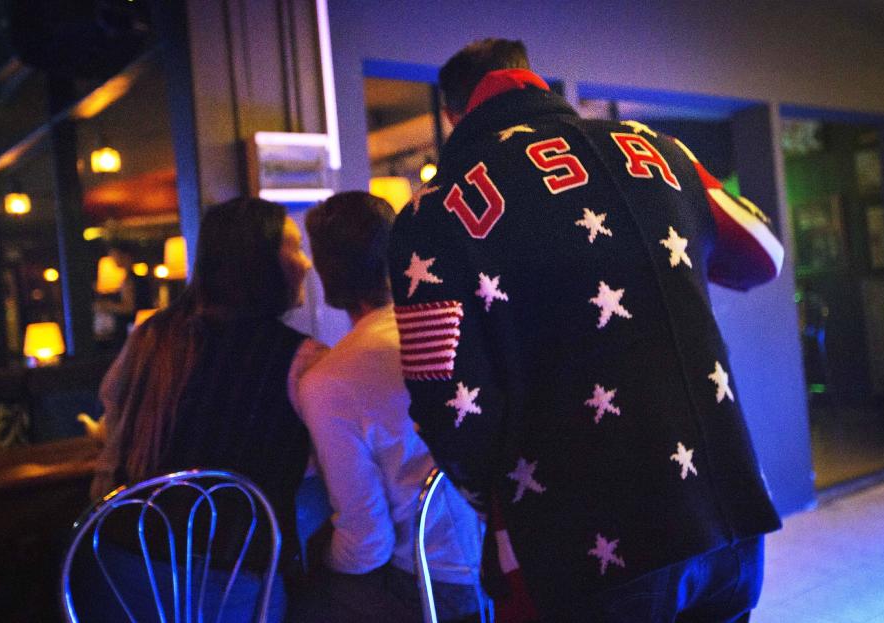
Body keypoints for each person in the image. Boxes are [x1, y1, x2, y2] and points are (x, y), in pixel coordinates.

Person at [388, 38, 785, 622]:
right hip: (726, 508)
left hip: (586, 543)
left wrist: (493, 499)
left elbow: (448, 404)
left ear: (452, 114)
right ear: (532, 78)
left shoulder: (432, 213)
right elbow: (763, 254)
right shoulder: (660, 152)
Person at [89, 197, 325, 622]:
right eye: (293, 248)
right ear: (259, 263)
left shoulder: (151, 336)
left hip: (118, 565)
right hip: (224, 580)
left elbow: (113, 426)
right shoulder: (301, 359)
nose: (306, 263)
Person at [290, 191, 483, 623]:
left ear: (325, 274)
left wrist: (318, 558)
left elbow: (367, 542)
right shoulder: (458, 328)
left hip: (431, 589)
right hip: (506, 571)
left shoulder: (327, 381)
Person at [93, 241, 153, 346]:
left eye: (114, 255)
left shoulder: (131, 279)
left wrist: (106, 305)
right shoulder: (129, 278)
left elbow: (129, 308)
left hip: (131, 330)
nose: (112, 259)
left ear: (125, 255)